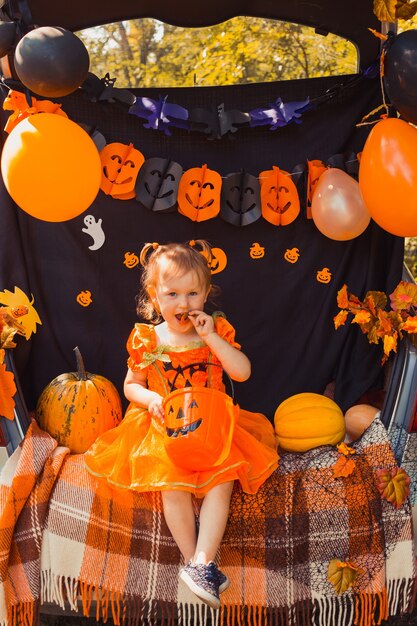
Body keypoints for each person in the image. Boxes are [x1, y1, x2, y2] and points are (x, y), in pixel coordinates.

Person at [85, 240, 279, 609]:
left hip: (212, 426)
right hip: (164, 426)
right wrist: (152, 400)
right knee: (170, 481)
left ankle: (203, 560)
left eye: (193, 293)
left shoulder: (216, 332)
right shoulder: (149, 339)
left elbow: (243, 371)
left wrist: (210, 337)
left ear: (206, 295)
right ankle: (196, 563)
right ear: (155, 298)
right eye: (172, 293)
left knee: (222, 481)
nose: (183, 303)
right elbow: (130, 387)